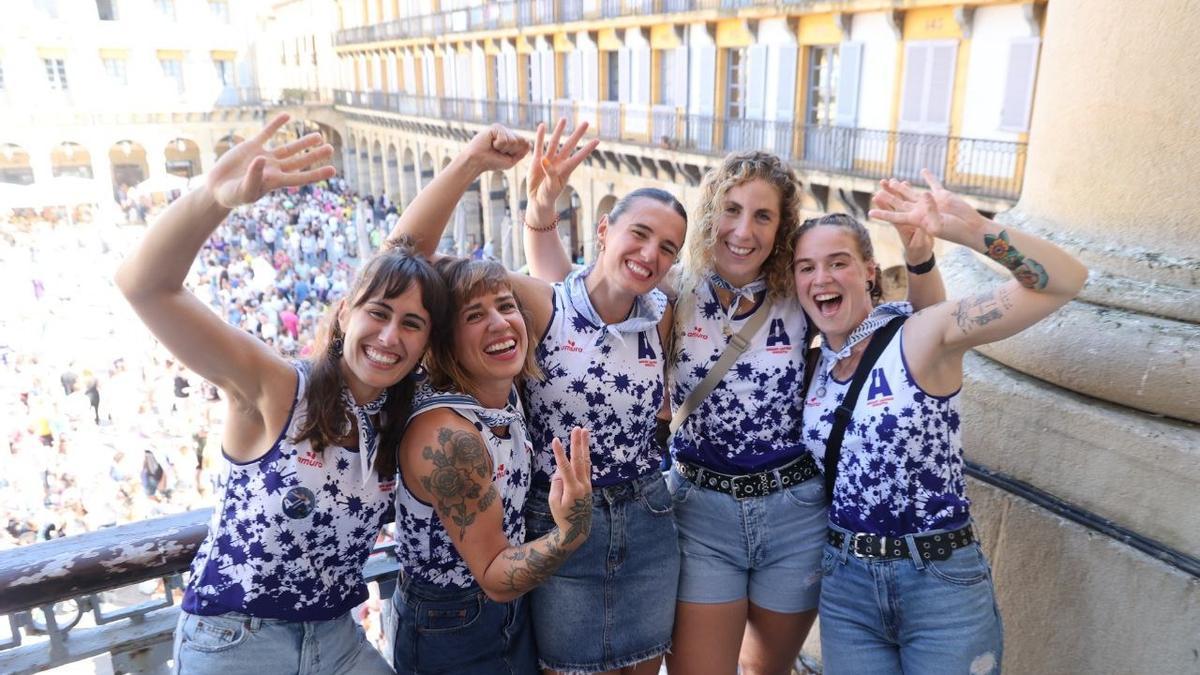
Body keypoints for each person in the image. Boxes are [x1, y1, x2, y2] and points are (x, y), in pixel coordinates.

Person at [115, 113, 446, 675]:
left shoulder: (398, 416)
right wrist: (212, 198)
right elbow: (144, 286)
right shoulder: (277, 388)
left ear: (426, 342)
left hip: (336, 637)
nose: (391, 336)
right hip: (236, 639)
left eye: (412, 324)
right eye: (379, 313)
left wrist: (471, 162)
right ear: (346, 313)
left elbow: (402, 258)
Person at [395, 119, 688, 674]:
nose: (651, 253)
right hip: (556, 521)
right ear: (604, 229)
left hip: (649, 517)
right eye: (640, 233)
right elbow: (406, 262)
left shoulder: (661, 313)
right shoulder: (535, 301)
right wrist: (477, 169)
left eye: (667, 247)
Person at [664, 152, 944, 675]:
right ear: (709, 215)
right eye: (731, 209)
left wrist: (921, 257)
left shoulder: (797, 291)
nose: (743, 230)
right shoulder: (673, 288)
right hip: (701, 513)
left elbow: (930, 329)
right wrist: (541, 214)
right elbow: (585, 304)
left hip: (794, 512)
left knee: (765, 671)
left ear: (781, 228)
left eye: (763, 216)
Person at [798, 172, 1087, 674]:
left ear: (869, 270)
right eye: (806, 268)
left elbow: (1063, 282)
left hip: (938, 585)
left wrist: (974, 229)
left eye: (837, 262)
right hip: (846, 589)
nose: (821, 278)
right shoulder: (816, 365)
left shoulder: (921, 333)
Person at [390, 257, 593, 674]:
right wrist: (573, 531)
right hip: (453, 626)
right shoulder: (449, 439)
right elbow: (495, 575)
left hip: (498, 615)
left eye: (506, 305)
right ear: (444, 340)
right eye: (474, 315)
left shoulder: (498, 386)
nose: (500, 323)